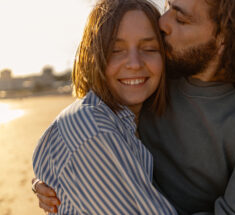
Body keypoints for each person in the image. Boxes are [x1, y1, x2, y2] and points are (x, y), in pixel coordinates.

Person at [34, 0, 235, 214]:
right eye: (168, 6)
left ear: (224, 38)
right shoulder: (153, 80)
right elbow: (92, 121)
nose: (163, 21)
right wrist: (57, 181)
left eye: (180, 18)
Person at [32, 0, 178, 214]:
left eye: (149, 48)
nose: (135, 63)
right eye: (116, 50)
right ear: (93, 56)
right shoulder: (94, 130)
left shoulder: (133, 122)